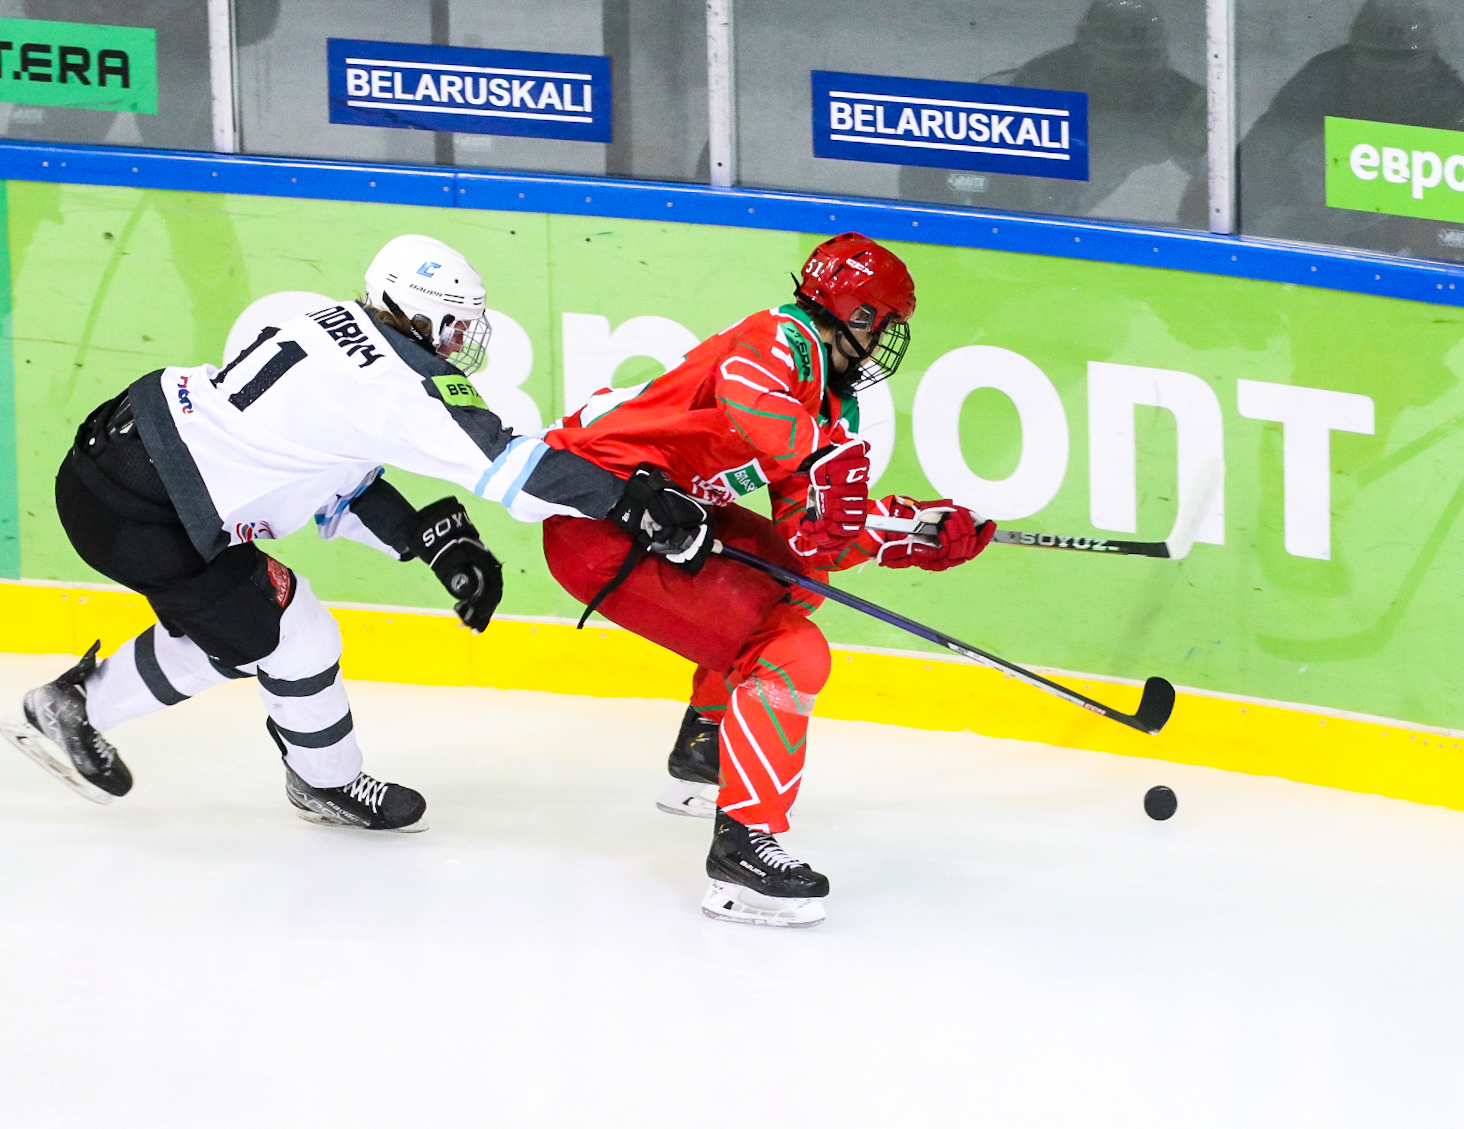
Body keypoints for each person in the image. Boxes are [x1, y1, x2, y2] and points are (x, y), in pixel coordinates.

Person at [4, 234, 708, 832]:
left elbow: (332, 478)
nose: (461, 343)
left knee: (242, 629)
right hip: (148, 512)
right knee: (292, 633)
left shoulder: (331, 323)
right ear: (420, 313)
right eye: (457, 325)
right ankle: (324, 780)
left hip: (115, 460)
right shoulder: (402, 383)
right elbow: (513, 470)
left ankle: (77, 706)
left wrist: (431, 542)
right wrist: (630, 505)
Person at [540, 233, 994, 926]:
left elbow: (810, 534)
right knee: (793, 651)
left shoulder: (827, 401)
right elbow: (745, 393)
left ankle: (705, 743)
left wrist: (909, 530)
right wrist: (820, 455)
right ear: (858, 315)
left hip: (666, 519)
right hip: (602, 520)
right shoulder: (782, 339)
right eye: (884, 323)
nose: (885, 341)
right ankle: (741, 854)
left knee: (799, 574)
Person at [900, 0, 1207, 227]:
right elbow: (931, 169)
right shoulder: (1035, 90)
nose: (1134, 78)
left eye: (1145, 61)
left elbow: (1215, 179)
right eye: (1120, 63)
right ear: (1088, 52)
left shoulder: (1178, 100)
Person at [1231, 0, 1464, 261]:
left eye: (1406, 67)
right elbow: (1252, 166)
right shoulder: (1317, 85)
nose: (1390, 78)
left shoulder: (1451, 101)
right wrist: (1294, 218)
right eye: (1375, 66)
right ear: (1353, 56)